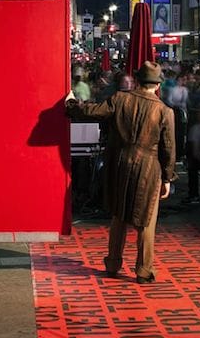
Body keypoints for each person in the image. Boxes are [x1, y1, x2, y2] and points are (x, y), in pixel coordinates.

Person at [66, 60, 176, 283]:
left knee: (118, 216)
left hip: (120, 163)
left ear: (136, 81)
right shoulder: (164, 111)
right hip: (148, 168)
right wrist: (167, 177)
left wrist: (71, 104)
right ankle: (143, 271)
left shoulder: (120, 99)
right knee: (145, 220)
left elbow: (92, 111)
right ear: (157, 85)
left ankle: (113, 264)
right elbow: (169, 148)